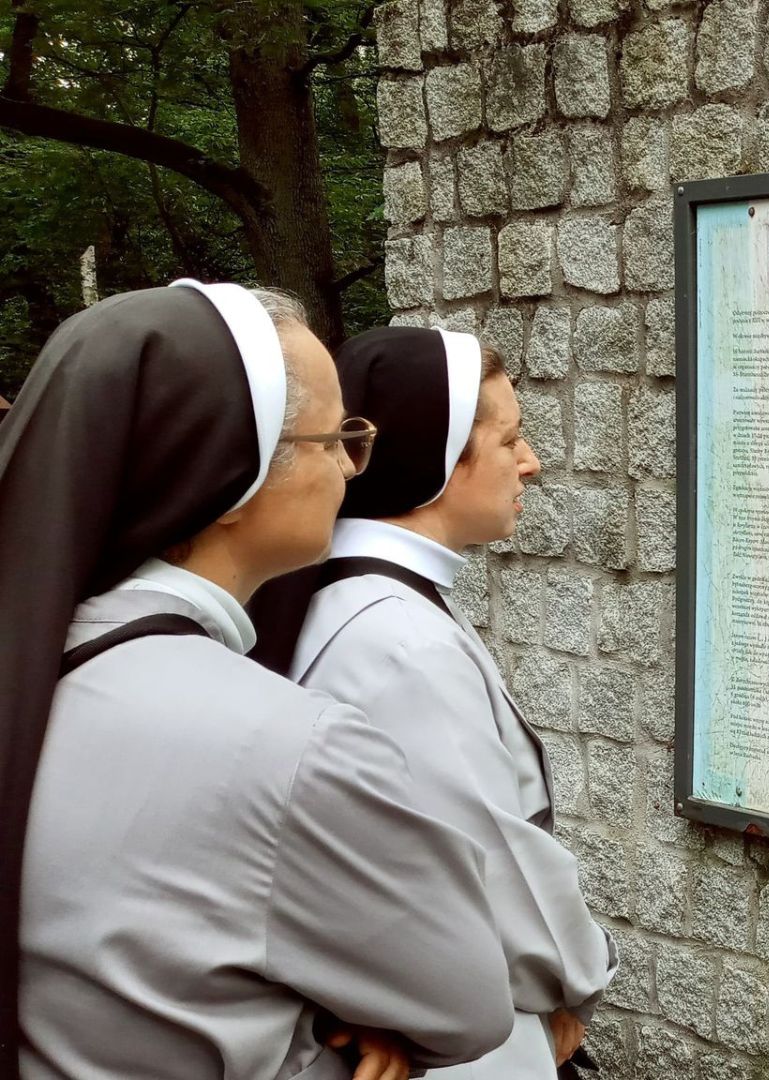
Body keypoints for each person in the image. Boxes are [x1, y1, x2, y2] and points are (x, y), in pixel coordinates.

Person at [0, 282, 516, 1080]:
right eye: (335, 438)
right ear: (233, 475)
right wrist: (336, 1012)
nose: (349, 466)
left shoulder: (33, 668)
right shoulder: (291, 742)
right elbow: (467, 1004)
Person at [251, 326, 616, 1076]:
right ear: (438, 459)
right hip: (467, 1039)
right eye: (509, 439)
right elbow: (489, 867)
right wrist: (572, 985)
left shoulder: (360, 602)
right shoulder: (400, 641)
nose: (531, 461)